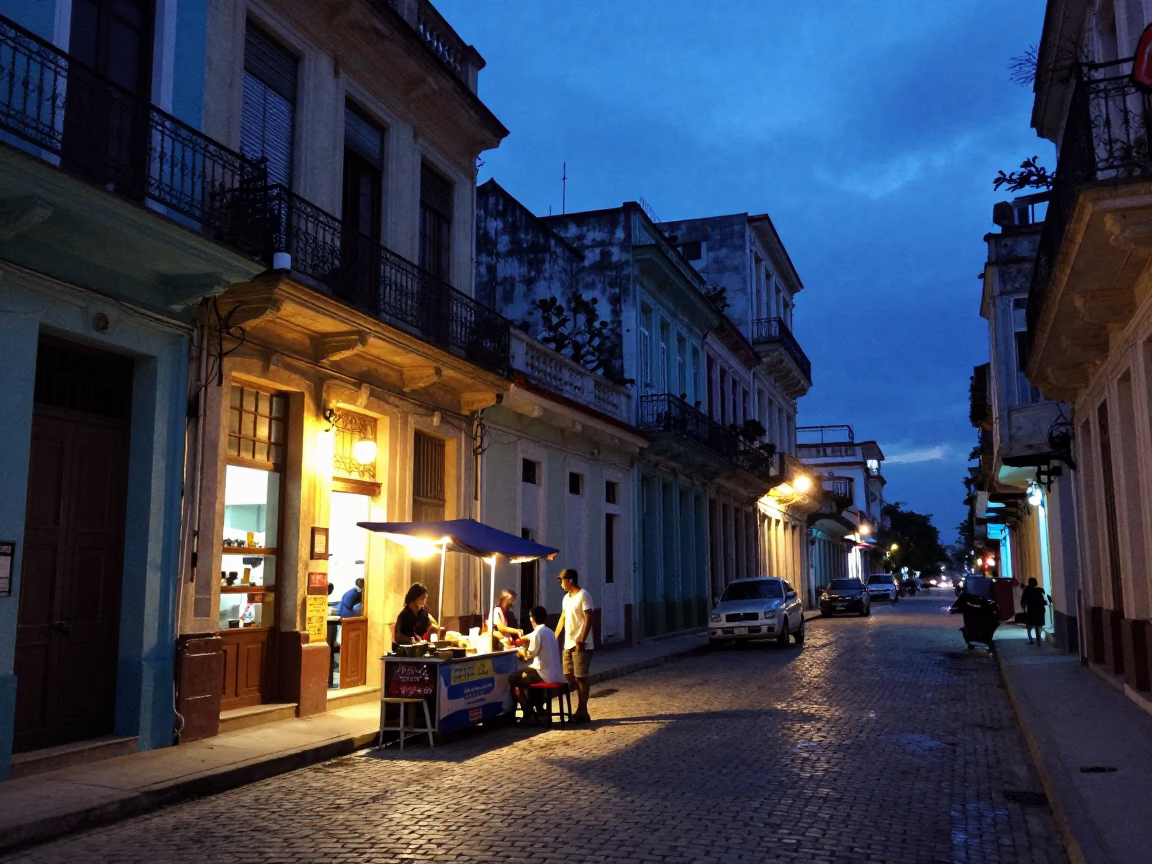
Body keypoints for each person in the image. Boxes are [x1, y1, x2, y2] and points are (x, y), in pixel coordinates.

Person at [511, 605, 564, 724]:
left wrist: (519, 651)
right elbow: (531, 637)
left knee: (514, 679)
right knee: (528, 675)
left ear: (532, 619)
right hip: (554, 672)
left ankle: (527, 712)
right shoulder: (549, 631)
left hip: (544, 673)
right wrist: (521, 638)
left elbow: (529, 654)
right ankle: (539, 710)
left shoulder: (538, 633)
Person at [554, 568, 594, 723]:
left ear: (570, 580)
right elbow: (562, 618)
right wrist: (554, 636)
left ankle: (582, 710)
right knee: (569, 675)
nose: (560, 583)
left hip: (581, 644)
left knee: (581, 677)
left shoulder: (584, 595)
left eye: (562, 580)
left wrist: (582, 639)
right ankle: (581, 708)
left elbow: (589, 617)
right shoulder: (566, 598)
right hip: (568, 643)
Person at [394, 583, 439, 647]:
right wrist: (411, 640)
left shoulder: (423, 612)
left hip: (421, 649)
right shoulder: (404, 615)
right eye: (422, 597)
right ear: (414, 597)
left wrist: (429, 634)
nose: (425, 599)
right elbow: (397, 637)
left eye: (425, 597)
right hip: (406, 651)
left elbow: (434, 626)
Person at [1021, 577, 1049, 645]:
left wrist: (1024, 608)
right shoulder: (1038, 590)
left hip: (1035, 609)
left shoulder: (1035, 590)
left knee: (1034, 625)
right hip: (1036, 609)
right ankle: (1035, 639)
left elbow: (1023, 601)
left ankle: (1035, 639)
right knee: (1035, 625)